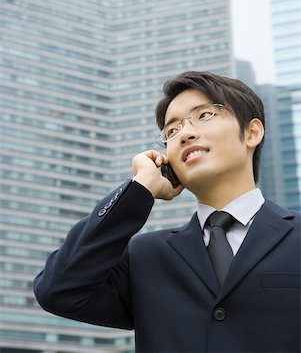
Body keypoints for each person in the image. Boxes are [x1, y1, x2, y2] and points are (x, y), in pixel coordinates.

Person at [34, 71, 300, 353]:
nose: (185, 133)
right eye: (172, 131)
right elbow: (58, 290)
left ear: (252, 132)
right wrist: (138, 190)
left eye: (204, 115)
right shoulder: (145, 256)